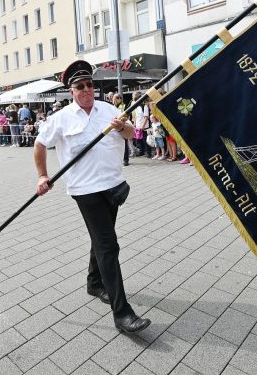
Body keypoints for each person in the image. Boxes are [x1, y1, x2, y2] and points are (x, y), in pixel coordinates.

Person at [34, 60, 150, 334]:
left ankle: (94, 283)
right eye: (80, 86)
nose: (86, 90)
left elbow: (130, 134)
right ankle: (123, 314)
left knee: (101, 238)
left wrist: (122, 127)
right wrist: (42, 175)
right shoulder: (61, 118)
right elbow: (39, 144)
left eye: (90, 85)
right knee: (109, 246)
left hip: (113, 186)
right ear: (71, 91)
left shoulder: (110, 110)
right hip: (85, 190)